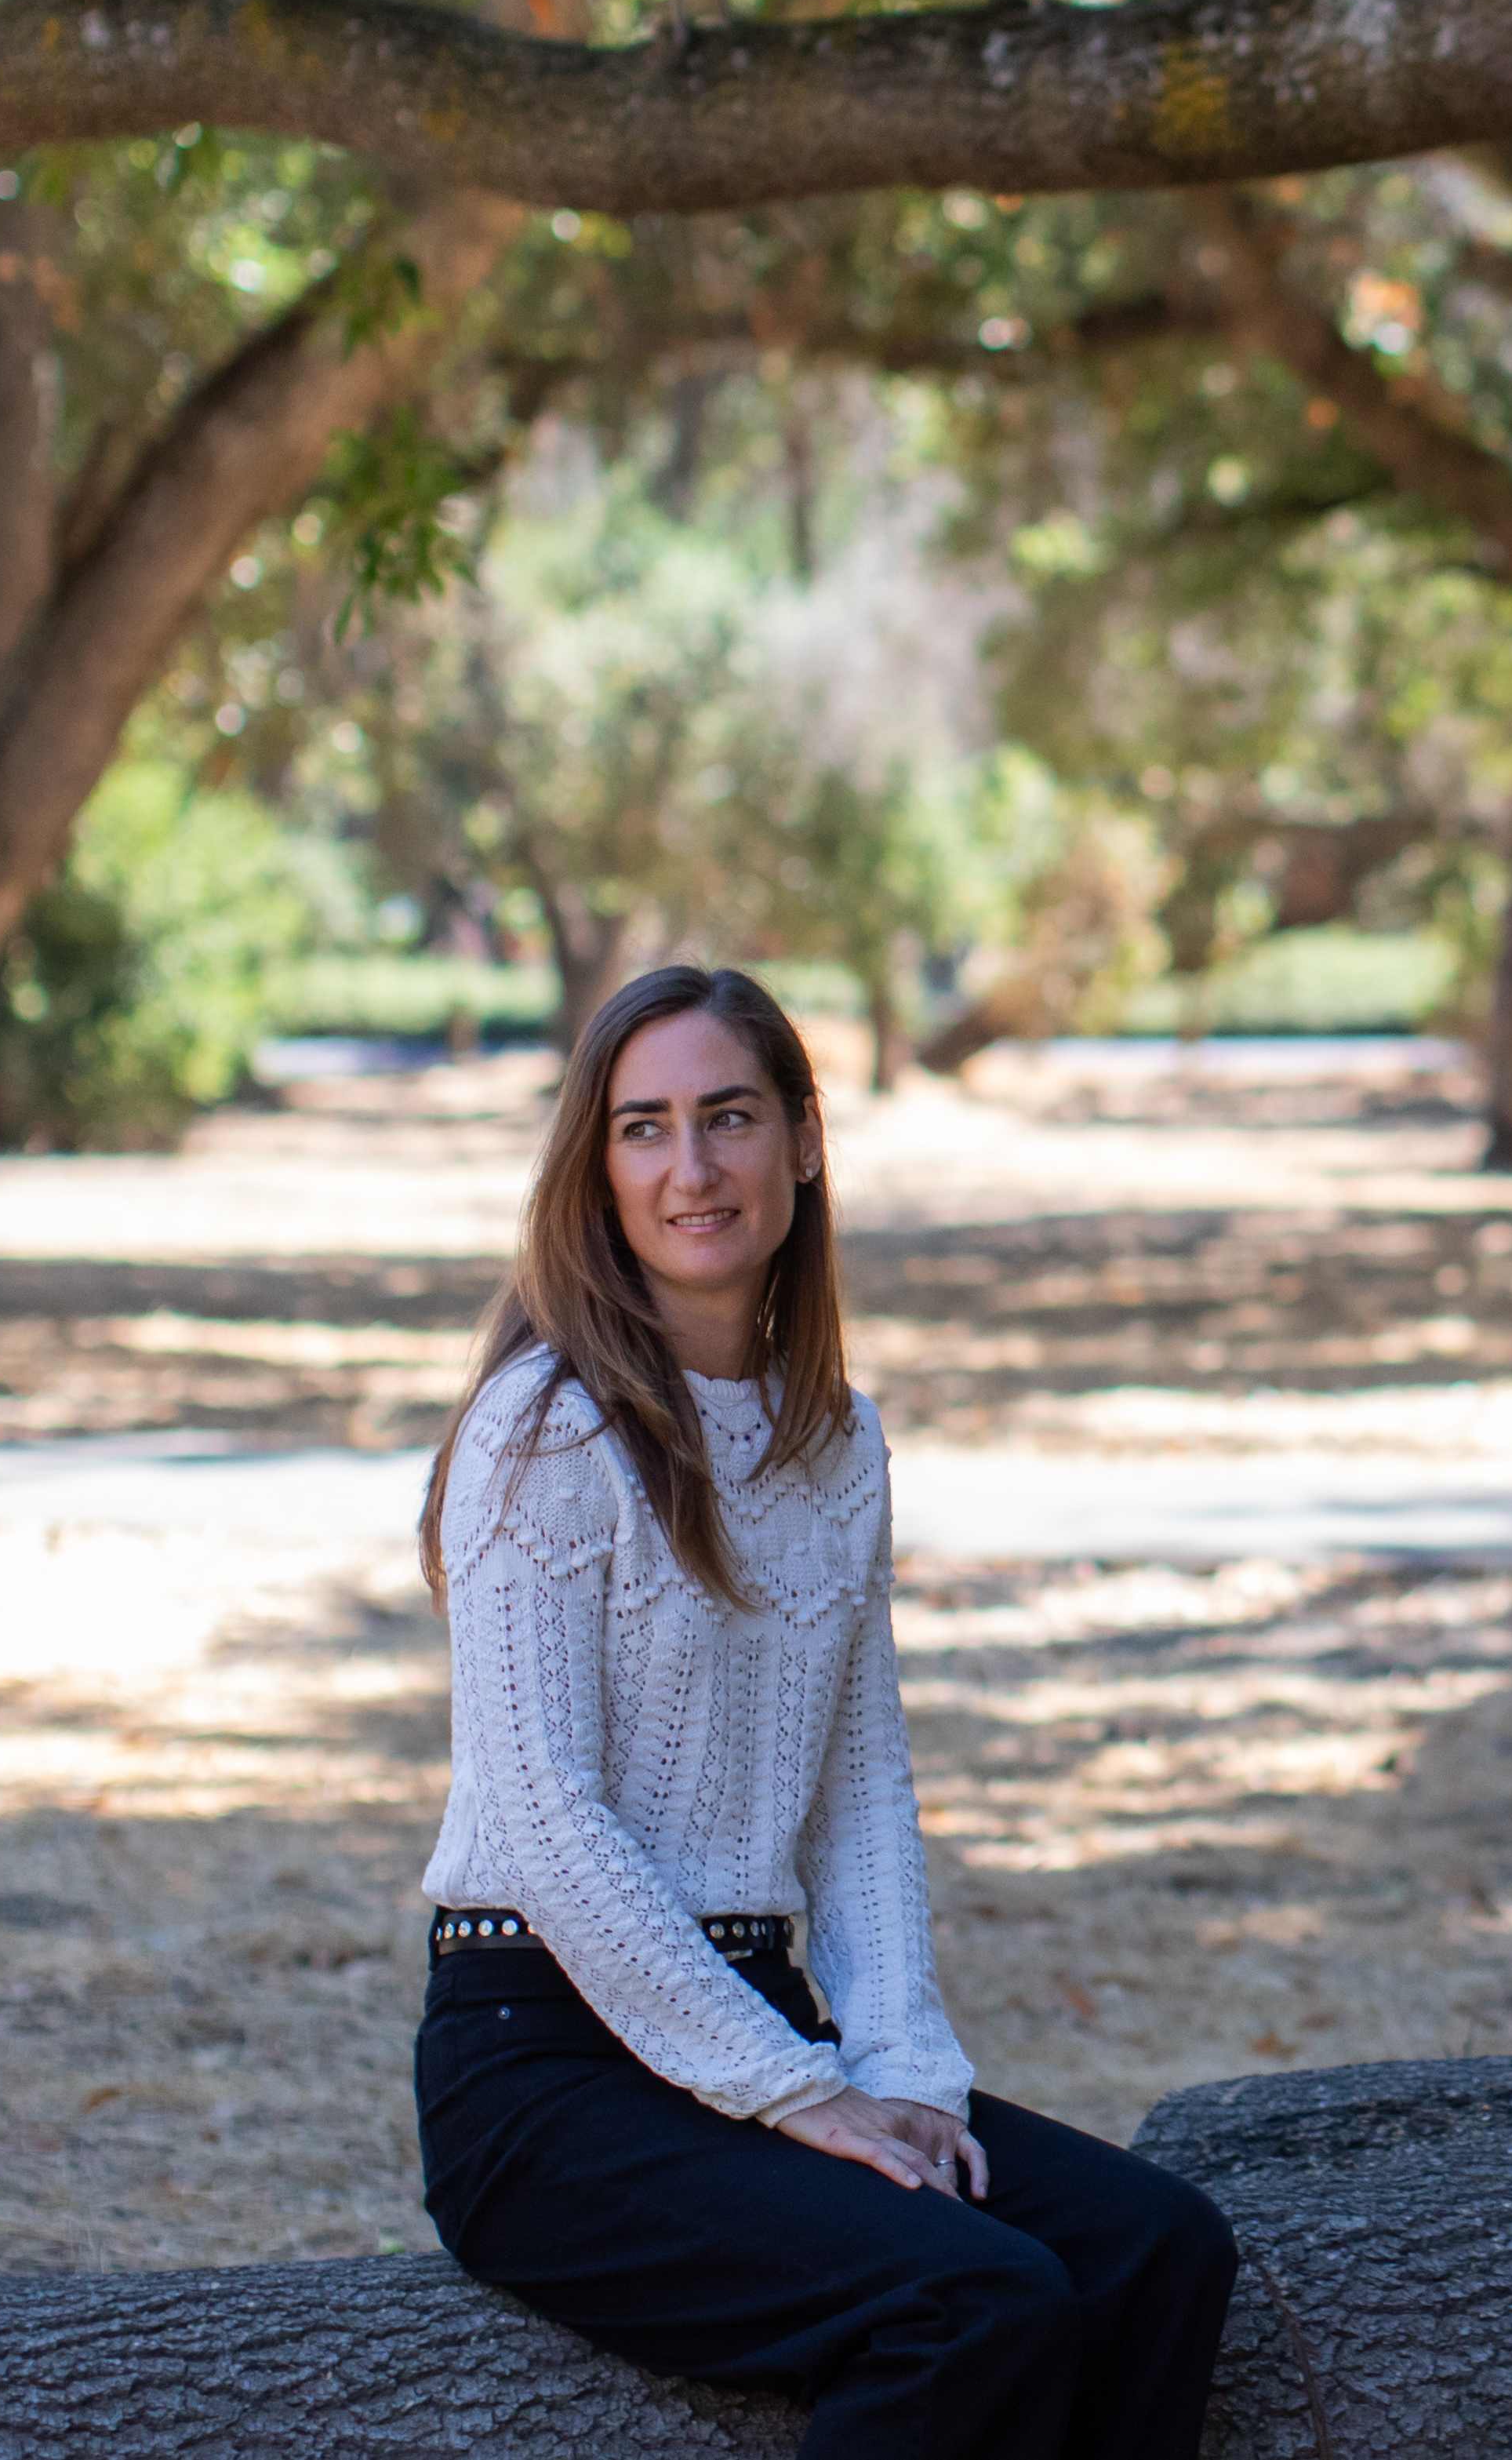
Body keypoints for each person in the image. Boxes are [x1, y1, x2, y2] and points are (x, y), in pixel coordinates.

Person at [412, 963, 1238, 2460]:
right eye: (642, 1129)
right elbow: (543, 1822)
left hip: (755, 2023)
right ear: (595, 1171)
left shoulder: (836, 1442)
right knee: (973, 2300)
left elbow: (860, 1796)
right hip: (546, 2074)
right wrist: (794, 2092)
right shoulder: (541, 1432)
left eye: (727, 1117)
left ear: (802, 1137)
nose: (691, 1168)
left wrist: (903, 2073)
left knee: (1156, 2249)